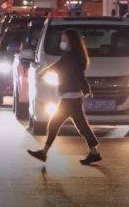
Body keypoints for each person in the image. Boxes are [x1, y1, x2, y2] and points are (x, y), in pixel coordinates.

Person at [28, 29, 101, 165]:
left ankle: (44, 152)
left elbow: (62, 68)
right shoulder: (74, 55)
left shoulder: (71, 56)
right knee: (81, 126)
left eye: (64, 40)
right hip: (73, 96)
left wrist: (43, 73)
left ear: (71, 41)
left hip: (70, 98)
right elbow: (74, 73)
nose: (62, 43)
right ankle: (94, 152)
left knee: (55, 123)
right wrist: (86, 91)